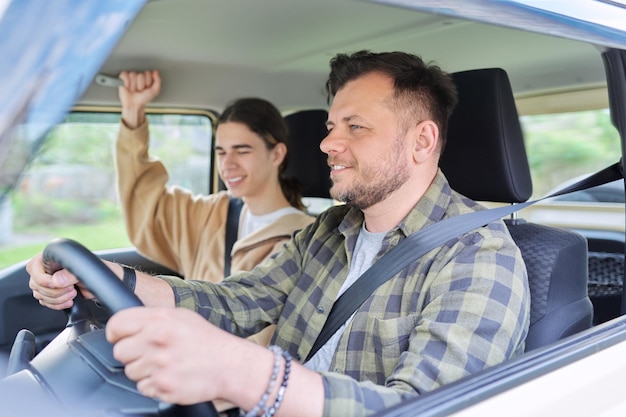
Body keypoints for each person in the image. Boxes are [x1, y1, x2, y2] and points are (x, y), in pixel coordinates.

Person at [29, 50, 530, 417]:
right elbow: (236, 301)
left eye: (354, 126)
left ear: (421, 141)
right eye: (332, 125)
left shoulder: (479, 258)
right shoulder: (330, 231)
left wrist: (247, 373)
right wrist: (113, 279)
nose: (328, 142)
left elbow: (428, 409)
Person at [116, 69, 314, 282]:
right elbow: (145, 203)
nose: (227, 164)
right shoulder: (209, 215)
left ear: (276, 154)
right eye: (221, 152)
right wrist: (133, 110)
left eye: (242, 151)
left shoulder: (305, 236)